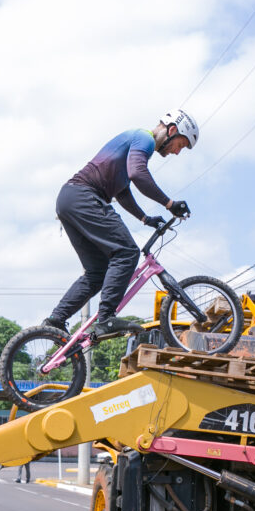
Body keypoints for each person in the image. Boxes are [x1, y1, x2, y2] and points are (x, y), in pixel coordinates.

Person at [44, 110, 198, 339]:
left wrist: (145, 218)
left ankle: (56, 320)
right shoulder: (143, 139)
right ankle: (105, 319)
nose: (177, 152)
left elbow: (122, 190)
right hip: (84, 197)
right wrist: (169, 203)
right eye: (181, 145)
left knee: (97, 273)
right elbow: (138, 174)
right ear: (172, 130)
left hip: (69, 200)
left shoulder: (134, 146)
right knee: (126, 252)